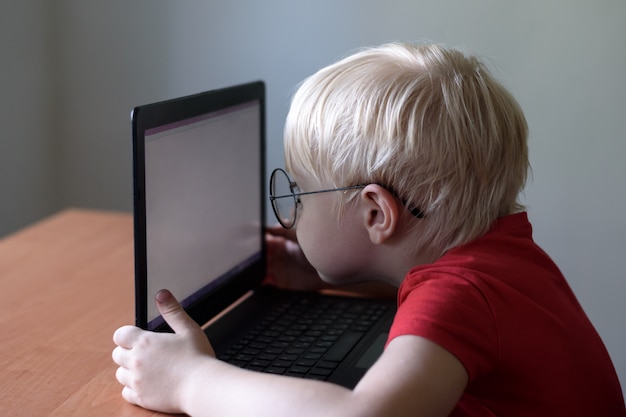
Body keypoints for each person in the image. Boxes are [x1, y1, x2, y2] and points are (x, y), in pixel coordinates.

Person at [112, 42, 626, 416]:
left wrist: (193, 382)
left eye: (299, 193)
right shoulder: (501, 250)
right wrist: (326, 276)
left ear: (377, 214)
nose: (292, 214)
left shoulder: (458, 296)